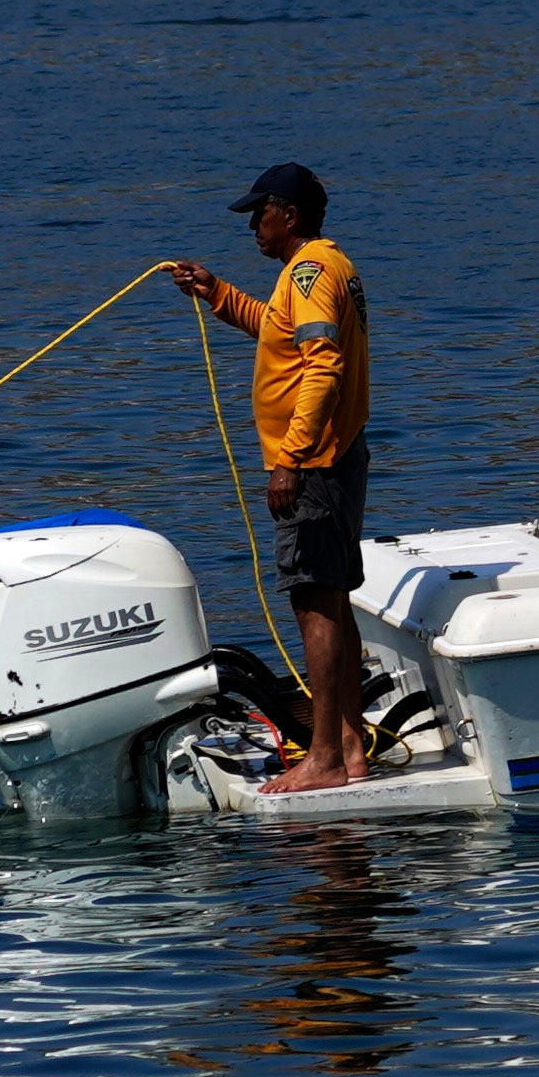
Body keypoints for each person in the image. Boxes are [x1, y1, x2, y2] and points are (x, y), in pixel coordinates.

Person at [168, 160, 374, 794]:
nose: (253, 222)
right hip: (335, 457)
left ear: (291, 215)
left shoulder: (309, 274)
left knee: (314, 602)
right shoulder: (314, 271)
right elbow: (279, 334)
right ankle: (346, 747)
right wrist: (218, 293)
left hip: (314, 465)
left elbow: (322, 366)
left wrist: (291, 456)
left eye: (260, 211)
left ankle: (326, 760)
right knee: (331, 597)